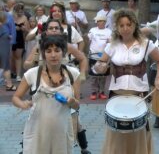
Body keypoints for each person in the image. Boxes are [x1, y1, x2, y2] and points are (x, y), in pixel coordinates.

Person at [94, 9, 159, 154]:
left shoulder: (145, 44)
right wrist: (99, 67)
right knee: (116, 132)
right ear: (117, 27)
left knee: (138, 131)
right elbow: (99, 65)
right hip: (117, 93)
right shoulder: (111, 45)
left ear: (134, 25)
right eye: (121, 25)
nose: (125, 28)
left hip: (139, 94)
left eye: (129, 24)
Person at [23, 19, 91, 154]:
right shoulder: (39, 46)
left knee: (72, 119)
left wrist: (82, 74)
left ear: (61, 31)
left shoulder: (67, 46)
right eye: (51, 28)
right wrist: (34, 58)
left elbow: (83, 58)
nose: (54, 30)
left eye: (56, 28)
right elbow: (26, 65)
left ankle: (83, 147)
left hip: (64, 82)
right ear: (46, 31)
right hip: (43, 84)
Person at [12, 34, 80, 154]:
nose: (53, 55)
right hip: (37, 132)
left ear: (63, 52)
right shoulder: (32, 74)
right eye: (48, 51)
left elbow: (77, 105)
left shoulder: (72, 74)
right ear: (43, 54)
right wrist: (22, 104)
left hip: (62, 131)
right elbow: (16, 97)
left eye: (57, 50)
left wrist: (72, 101)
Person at [88, 15, 111, 100]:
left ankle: (101, 92)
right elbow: (89, 41)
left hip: (104, 57)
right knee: (93, 75)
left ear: (104, 22)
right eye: (98, 21)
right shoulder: (92, 30)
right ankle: (93, 92)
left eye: (101, 21)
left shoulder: (109, 31)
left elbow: (110, 43)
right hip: (93, 56)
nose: (99, 23)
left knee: (103, 76)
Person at [0, 0, 16, 91]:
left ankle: (9, 84)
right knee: (5, 64)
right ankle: (9, 84)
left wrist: (12, 41)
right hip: (4, 42)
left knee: (5, 64)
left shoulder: (8, 16)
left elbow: (12, 30)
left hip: (5, 42)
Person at [12, 3, 30, 82]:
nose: (20, 11)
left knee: (18, 57)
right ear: (15, 10)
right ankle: (12, 73)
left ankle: (18, 75)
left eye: (21, 10)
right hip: (11, 38)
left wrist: (23, 29)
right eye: (18, 10)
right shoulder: (11, 17)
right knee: (10, 57)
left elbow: (28, 30)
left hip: (19, 38)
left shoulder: (25, 18)